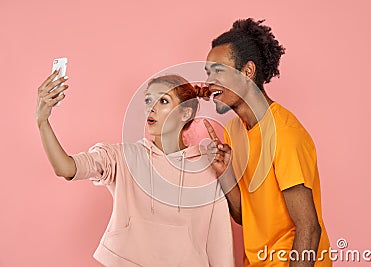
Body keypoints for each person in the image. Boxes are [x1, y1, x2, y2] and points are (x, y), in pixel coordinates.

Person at [36, 72, 234, 267]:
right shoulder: (123, 157)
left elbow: (219, 241)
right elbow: (67, 168)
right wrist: (43, 122)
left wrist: (224, 172)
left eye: (163, 101)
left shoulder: (207, 167)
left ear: (185, 113)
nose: (151, 108)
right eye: (148, 101)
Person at [203, 18, 332, 266]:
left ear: (248, 71)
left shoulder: (284, 133)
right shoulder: (233, 131)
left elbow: (309, 228)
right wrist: (225, 174)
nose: (210, 82)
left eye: (218, 71)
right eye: (208, 73)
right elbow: (245, 217)